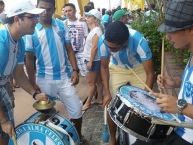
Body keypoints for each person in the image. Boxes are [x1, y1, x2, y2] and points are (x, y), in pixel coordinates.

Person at [134, 0, 193, 145]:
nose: (167, 37)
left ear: (190, 29)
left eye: (171, 30)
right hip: (180, 127)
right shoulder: (191, 53)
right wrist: (175, 82)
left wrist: (181, 107)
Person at [24, 0, 83, 142]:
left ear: (54, 9)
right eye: (41, 8)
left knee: (76, 109)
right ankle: (52, 141)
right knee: (46, 114)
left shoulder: (61, 26)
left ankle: (76, 139)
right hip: (43, 80)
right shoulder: (32, 30)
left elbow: (69, 49)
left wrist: (75, 70)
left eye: (48, 9)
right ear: (36, 8)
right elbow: (29, 58)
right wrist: (32, 83)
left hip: (64, 77)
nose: (45, 12)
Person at [0, 0, 48, 145]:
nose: (36, 21)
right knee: (5, 131)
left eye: (36, 17)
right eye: (31, 17)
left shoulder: (19, 41)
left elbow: (19, 73)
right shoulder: (2, 42)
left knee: (7, 134)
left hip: (3, 86)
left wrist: (35, 93)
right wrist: (3, 120)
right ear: (17, 19)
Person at [99, 21, 154, 145]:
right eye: (108, 46)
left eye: (113, 48)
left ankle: (139, 137)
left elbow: (150, 73)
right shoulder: (103, 41)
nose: (109, 49)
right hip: (117, 68)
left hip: (139, 68)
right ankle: (113, 138)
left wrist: (145, 98)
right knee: (111, 104)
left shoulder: (140, 41)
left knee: (144, 106)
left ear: (124, 42)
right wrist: (106, 92)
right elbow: (103, 67)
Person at [81, 9, 103, 111]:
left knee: (91, 83)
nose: (87, 18)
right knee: (98, 81)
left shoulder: (96, 31)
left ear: (95, 19)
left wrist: (90, 61)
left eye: (89, 17)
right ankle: (99, 99)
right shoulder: (95, 30)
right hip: (94, 60)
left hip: (93, 60)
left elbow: (94, 48)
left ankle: (88, 102)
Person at [63, 3, 89, 77]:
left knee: (87, 74)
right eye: (66, 11)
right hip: (68, 54)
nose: (67, 13)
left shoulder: (82, 23)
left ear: (75, 11)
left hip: (81, 52)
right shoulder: (63, 24)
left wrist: (86, 51)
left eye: (70, 10)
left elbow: (86, 37)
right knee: (72, 76)